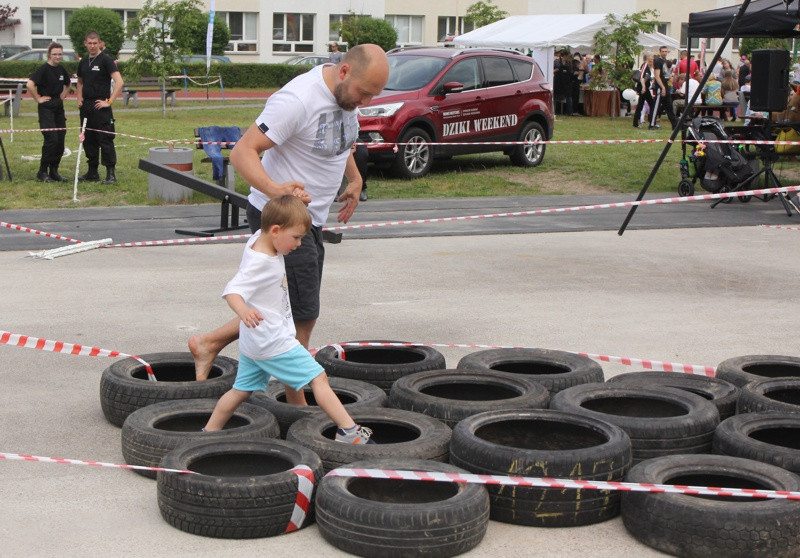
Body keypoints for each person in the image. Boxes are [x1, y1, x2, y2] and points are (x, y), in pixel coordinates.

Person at [189, 44, 389, 407]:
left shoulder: (346, 101)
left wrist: (355, 179)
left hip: (309, 221)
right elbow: (242, 152)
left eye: (373, 95)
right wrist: (276, 189)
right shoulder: (298, 99)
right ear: (344, 72)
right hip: (280, 221)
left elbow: (340, 144)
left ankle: (209, 343)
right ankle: (296, 407)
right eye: (364, 93)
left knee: (281, 309)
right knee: (303, 315)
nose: (365, 102)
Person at [203, 194, 374, 444]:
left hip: (254, 344)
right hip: (273, 342)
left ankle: (208, 433)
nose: (298, 244)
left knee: (240, 391)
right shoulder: (261, 262)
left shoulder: (258, 239)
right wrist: (243, 311)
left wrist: (296, 203)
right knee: (318, 377)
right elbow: (233, 290)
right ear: (275, 230)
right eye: (295, 238)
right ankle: (349, 431)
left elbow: (279, 213)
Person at [76, 31, 123, 185]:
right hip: (86, 107)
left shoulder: (106, 60)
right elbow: (80, 82)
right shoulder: (82, 62)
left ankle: (110, 174)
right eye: (89, 43)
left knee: (105, 139)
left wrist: (109, 101)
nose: (92, 46)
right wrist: (79, 98)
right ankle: (92, 172)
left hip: (101, 106)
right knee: (88, 139)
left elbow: (119, 82)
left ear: (99, 43)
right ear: (85, 43)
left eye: (95, 43)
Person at [26, 42, 71, 183]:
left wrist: (63, 95)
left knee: (60, 139)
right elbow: (30, 84)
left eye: (59, 54)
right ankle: (42, 171)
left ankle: (54, 171)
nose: (57, 56)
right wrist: (38, 98)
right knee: (52, 139)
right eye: (55, 54)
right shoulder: (43, 69)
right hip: (46, 107)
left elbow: (69, 83)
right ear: (49, 55)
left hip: (58, 106)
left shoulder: (62, 69)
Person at [650, 46, 678, 130]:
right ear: (660, 52)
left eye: (666, 51)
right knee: (656, 106)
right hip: (660, 87)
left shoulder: (665, 61)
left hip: (666, 86)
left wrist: (670, 79)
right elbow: (657, 76)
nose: (664, 53)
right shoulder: (658, 61)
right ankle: (652, 124)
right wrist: (662, 87)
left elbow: (665, 74)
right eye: (663, 51)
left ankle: (675, 125)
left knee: (669, 106)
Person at [633, 53, 654, 128]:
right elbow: (642, 77)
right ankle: (651, 120)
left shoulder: (647, 66)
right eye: (652, 57)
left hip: (644, 87)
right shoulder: (645, 65)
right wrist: (644, 87)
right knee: (652, 104)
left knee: (640, 105)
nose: (652, 58)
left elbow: (646, 77)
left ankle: (636, 122)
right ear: (648, 57)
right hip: (643, 88)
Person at [553, 50, 574, 115]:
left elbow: (571, 72)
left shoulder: (569, 63)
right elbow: (553, 70)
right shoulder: (557, 62)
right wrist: (555, 70)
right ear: (564, 56)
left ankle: (569, 112)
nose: (568, 58)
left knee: (568, 97)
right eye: (568, 56)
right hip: (558, 82)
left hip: (567, 82)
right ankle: (556, 111)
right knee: (556, 97)